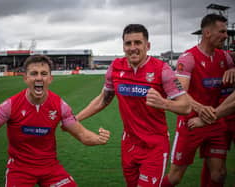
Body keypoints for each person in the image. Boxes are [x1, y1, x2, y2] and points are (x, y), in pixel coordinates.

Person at [0, 55, 110, 187]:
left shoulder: (60, 105)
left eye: (44, 74)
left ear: (50, 79)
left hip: (50, 168)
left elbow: (82, 135)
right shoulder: (10, 106)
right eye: (34, 74)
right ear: (26, 78)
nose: (39, 78)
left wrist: (98, 138)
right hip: (20, 169)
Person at [76, 24, 191, 187]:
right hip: (129, 144)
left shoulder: (162, 70)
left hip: (155, 146)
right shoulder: (115, 67)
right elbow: (103, 99)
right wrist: (75, 119)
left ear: (147, 45)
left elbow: (186, 106)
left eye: (138, 42)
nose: (133, 48)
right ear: (123, 46)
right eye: (128, 43)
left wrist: (164, 103)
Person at [161, 14, 235, 187]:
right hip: (191, 123)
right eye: (222, 31)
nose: (226, 36)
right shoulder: (188, 59)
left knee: (218, 175)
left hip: (215, 123)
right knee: (175, 177)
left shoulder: (227, 58)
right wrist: (201, 109)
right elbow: (181, 93)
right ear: (207, 33)